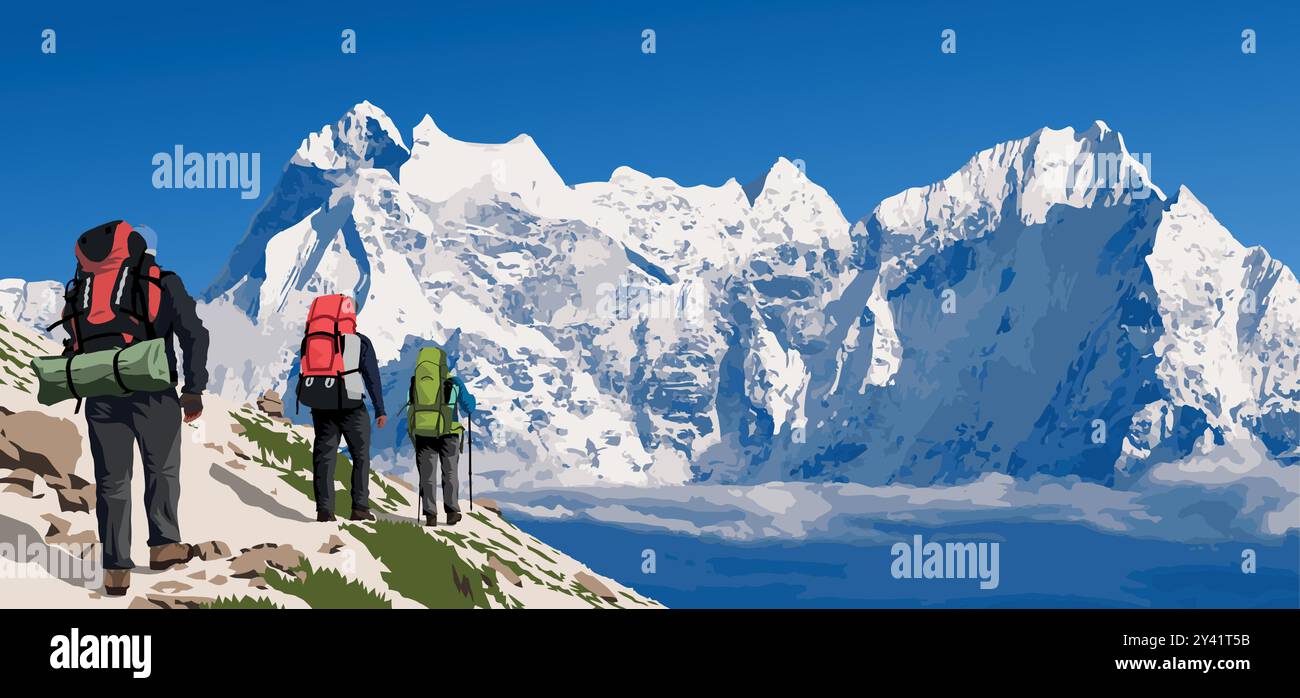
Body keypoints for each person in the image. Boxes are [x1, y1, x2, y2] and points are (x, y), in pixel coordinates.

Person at [56, 222, 209, 597]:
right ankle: (163, 546)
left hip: (102, 392)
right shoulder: (162, 281)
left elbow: (73, 337)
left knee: (112, 482)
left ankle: (115, 570)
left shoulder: (82, 288)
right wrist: (193, 389)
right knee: (162, 469)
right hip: (154, 391)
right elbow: (195, 333)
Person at [309, 321, 386, 523]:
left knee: (324, 456)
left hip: (321, 404)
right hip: (351, 405)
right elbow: (372, 378)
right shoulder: (359, 341)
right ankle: (359, 508)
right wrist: (380, 409)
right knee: (360, 456)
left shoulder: (314, 340)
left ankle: (324, 511)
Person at [414, 355, 476, 527]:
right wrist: (473, 400)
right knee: (449, 472)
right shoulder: (454, 381)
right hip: (449, 433)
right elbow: (468, 407)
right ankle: (451, 513)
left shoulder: (416, 381)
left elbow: (410, 405)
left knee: (427, 474)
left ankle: (430, 515)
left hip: (423, 432)